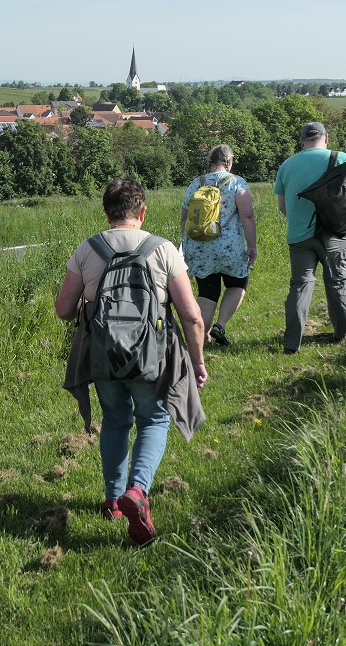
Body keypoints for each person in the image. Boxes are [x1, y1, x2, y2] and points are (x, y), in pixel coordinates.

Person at [54, 179, 208, 545]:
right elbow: (191, 315)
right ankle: (138, 491)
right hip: (150, 354)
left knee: (115, 420)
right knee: (154, 418)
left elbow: (62, 310)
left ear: (106, 213)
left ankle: (113, 500)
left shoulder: (88, 248)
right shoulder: (164, 249)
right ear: (142, 212)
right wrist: (197, 360)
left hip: (103, 355)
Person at [273, 122, 346, 355]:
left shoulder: (287, 165)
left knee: (300, 285)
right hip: (335, 233)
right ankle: (343, 333)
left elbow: (283, 207)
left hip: (299, 236)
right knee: (337, 282)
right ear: (327, 138)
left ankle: (292, 342)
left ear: (302, 141)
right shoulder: (341, 157)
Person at [179, 145, 257, 347]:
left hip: (199, 246)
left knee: (207, 291)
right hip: (228, 247)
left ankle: (200, 338)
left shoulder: (196, 183)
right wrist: (252, 245)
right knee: (238, 283)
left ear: (210, 162)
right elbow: (247, 216)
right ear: (229, 162)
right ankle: (220, 325)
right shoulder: (236, 183)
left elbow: (184, 218)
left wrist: (185, 246)